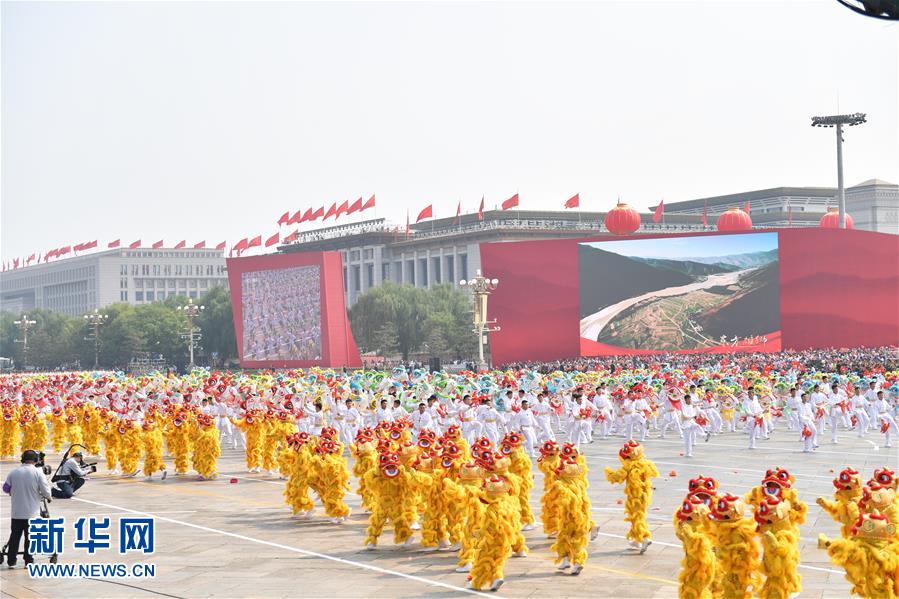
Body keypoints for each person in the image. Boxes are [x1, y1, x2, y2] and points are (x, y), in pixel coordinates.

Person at [3, 450, 52, 567]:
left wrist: (12, 491)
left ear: (23, 459)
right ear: (36, 460)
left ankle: (11, 560)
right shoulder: (38, 472)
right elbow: (45, 490)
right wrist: (49, 497)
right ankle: (28, 560)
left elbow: (5, 488)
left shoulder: (13, 472)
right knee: (29, 537)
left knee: (15, 536)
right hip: (32, 513)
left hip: (17, 512)